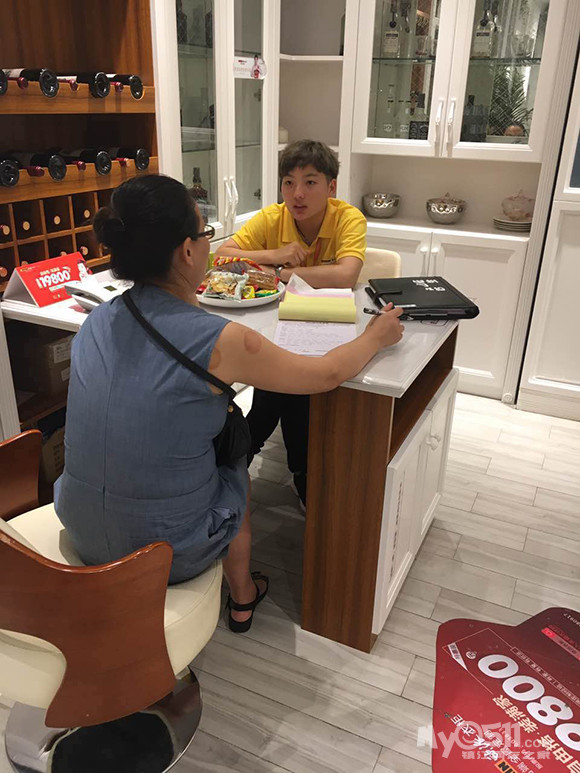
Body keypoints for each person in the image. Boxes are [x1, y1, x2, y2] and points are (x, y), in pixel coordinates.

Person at [54, 174, 404, 632]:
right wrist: (375, 336)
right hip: (162, 552)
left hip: (78, 526)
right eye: (205, 233)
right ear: (186, 251)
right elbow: (325, 375)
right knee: (234, 462)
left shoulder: (97, 320)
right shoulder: (221, 340)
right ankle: (242, 594)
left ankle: (238, 591)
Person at [215, 139, 367, 505]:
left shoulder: (348, 218)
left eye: (310, 182)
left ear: (331, 187)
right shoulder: (273, 217)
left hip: (328, 329)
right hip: (277, 326)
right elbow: (221, 256)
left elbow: (346, 275)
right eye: (288, 182)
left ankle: (240, 458)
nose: (297, 194)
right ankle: (301, 472)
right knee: (288, 387)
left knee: (282, 387)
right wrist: (276, 254)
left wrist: (280, 273)